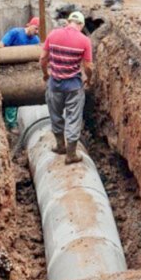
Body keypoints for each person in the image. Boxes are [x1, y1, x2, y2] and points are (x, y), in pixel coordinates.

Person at [40, 11, 93, 165]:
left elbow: (43, 59)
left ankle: (60, 146)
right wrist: (88, 79)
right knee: (73, 118)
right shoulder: (84, 40)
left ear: (68, 21)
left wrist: (45, 74)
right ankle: (71, 154)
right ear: (81, 25)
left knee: (55, 114)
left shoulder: (53, 34)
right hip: (73, 86)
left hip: (54, 84)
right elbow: (88, 66)